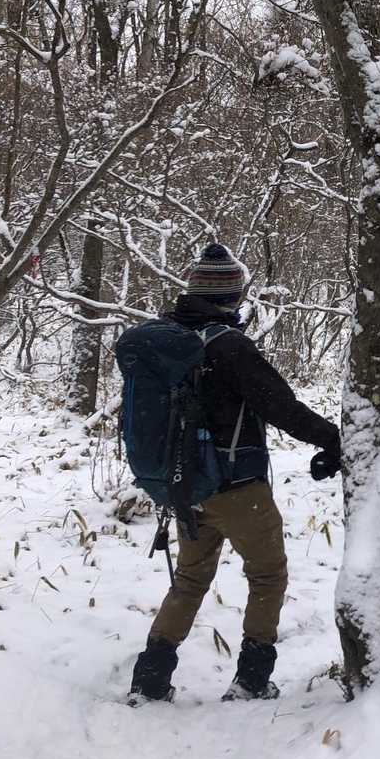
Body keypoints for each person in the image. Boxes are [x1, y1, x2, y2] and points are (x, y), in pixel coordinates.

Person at [129, 243, 341, 703]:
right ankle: (252, 680)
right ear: (232, 297)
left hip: (184, 485)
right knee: (267, 576)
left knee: (189, 580)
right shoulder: (228, 345)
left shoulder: (168, 342)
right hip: (237, 487)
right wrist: (334, 439)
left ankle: (149, 680)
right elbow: (280, 406)